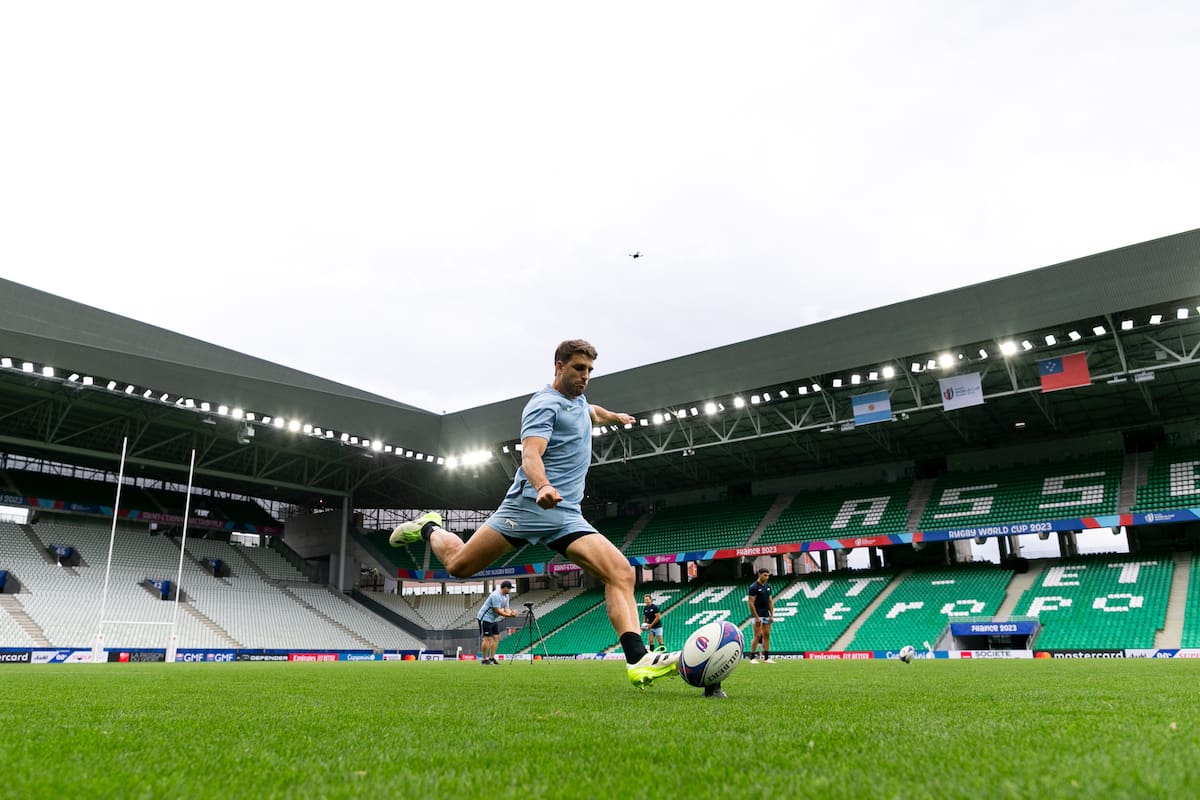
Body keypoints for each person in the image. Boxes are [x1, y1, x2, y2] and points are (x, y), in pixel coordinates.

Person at [391, 339, 678, 688]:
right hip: (528, 508)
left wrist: (614, 416)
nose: (585, 377)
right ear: (558, 366)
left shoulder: (579, 399)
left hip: (566, 515)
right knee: (459, 565)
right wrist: (542, 485)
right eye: (577, 369)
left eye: (589, 371)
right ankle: (429, 527)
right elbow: (531, 455)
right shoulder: (544, 406)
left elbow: (591, 411)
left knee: (620, 572)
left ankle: (637, 660)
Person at [476, 580, 518, 665]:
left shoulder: (506, 596)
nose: (510, 590)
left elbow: (506, 608)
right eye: (509, 588)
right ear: (505, 588)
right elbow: (497, 611)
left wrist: (511, 612)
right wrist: (509, 616)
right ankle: (484, 659)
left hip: (493, 619)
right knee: (487, 638)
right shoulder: (495, 595)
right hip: (485, 618)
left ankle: (491, 658)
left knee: (496, 638)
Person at [746, 568, 776, 664]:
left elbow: (770, 601)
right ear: (759, 574)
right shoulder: (753, 587)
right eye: (765, 575)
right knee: (757, 635)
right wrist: (756, 617)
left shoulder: (768, 587)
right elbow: (751, 603)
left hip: (766, 614)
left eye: (768, 575)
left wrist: (772, 615)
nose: (766, 577)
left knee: (767, 635)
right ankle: (752, 657)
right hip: (757, 615)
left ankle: (766, 658)